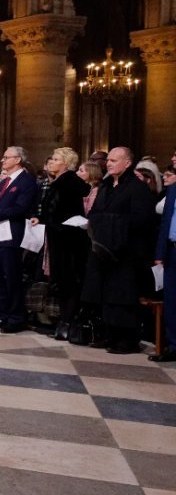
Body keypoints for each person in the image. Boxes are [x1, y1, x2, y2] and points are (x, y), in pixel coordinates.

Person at [81, 147, 157, 355]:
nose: (110, 163)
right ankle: (110, 334)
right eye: (109, 160)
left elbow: (142, 219)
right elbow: (96, 212)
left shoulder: (136, 188)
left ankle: (127, 339)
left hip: (126, 251)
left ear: (127, 163)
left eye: (115, 160)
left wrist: (113, 223)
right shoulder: (106, 185)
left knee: (122, 295)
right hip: (104, 249)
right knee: (105, 293)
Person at [33, 148, 90, 340]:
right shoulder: (59, 182)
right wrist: (40, 219)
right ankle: (63, 321)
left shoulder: (70, 182)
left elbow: (64, 211)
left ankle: (67, 322)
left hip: (69, 240)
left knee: (70, 280)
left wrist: (50, 221)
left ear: (65, 163)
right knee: (62, 281)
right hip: (58, 237)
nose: (51, 162)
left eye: (56, 159)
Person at [0, 146, 39, 333]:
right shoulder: (4, 181)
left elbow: (20, 208)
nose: (2, 160)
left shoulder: (27, 181)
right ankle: (3, 314)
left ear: (17, 160)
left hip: (12, 236)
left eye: (6, 157)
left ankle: (16, 317)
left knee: (11, 278)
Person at [155, 172, 176, 362]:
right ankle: (172, 345)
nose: (173, 158)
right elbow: (165, 222)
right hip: (172, 249)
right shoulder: (172, 189)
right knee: (170, 299)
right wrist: (160, 253)